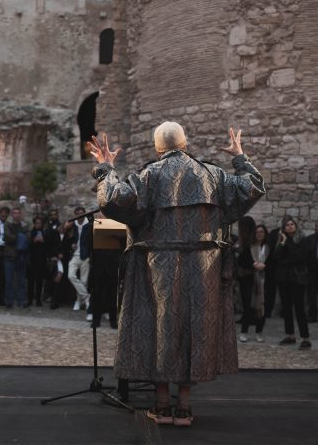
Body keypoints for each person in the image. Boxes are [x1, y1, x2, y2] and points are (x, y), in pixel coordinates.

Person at [89, 123, 265, 427]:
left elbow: (112, 200)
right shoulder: (212, 174)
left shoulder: (149, 175)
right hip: (203, 266)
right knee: (194, 328)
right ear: (185, 144)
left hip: (158, 267)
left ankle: (161, 405)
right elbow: (253, 185)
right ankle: (183, 406)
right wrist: (238, 156)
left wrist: (105, 167)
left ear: (159, 147)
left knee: (162, 327)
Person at [274, 216, 311, 350]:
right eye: (287, 225)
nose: (289, 226)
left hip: (297, 279)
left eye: (292, 224)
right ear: (283, 229)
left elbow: (298, 257)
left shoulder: (302, 239)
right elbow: (276, 256)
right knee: (287, 308)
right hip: (284, 279)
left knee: (299, 308)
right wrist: (283, 241)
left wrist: (285, 259)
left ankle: (306, 338)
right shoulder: (283, 240)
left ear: (296, 226)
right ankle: (291, 335)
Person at [236, 219, 269, 343]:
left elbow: (273, 262)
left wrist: (264, 266)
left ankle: (259, 332)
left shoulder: (267, 248)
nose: (259, 234)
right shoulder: (250, 247)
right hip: (250, 279)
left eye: (262, 232)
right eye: (257, 232)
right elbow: (242, 260)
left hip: (263, 280)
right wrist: (253, 263)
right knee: (248, 306)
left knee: (261, 306)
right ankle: (244, 331)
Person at [66, 206, 92, 315]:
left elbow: (92, 240)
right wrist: (71, 245)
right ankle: (87, 298)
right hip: (75, 256)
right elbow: (66, 237)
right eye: (78, 213)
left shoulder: (89, 224)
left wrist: (91, 255)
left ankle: (78, 301)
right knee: (71, 275)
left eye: (82, 213)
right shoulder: (73, 225)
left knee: (84, 281)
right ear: (76, 214)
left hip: (85, 256)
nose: (80, 215)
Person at [3, 207, 29, 308]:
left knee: (21, 280)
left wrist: (18, 237)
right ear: (12, 215)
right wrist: (20, 237)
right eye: (15, 213)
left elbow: (28, 237)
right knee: (9, 280)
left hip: (21, 257)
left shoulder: (25, 225)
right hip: (9, 256)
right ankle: (9, 301)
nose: (17, 215)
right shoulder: (7, 225)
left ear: (21, 215)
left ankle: (21, 300)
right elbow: (7, 237)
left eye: (18, 213)